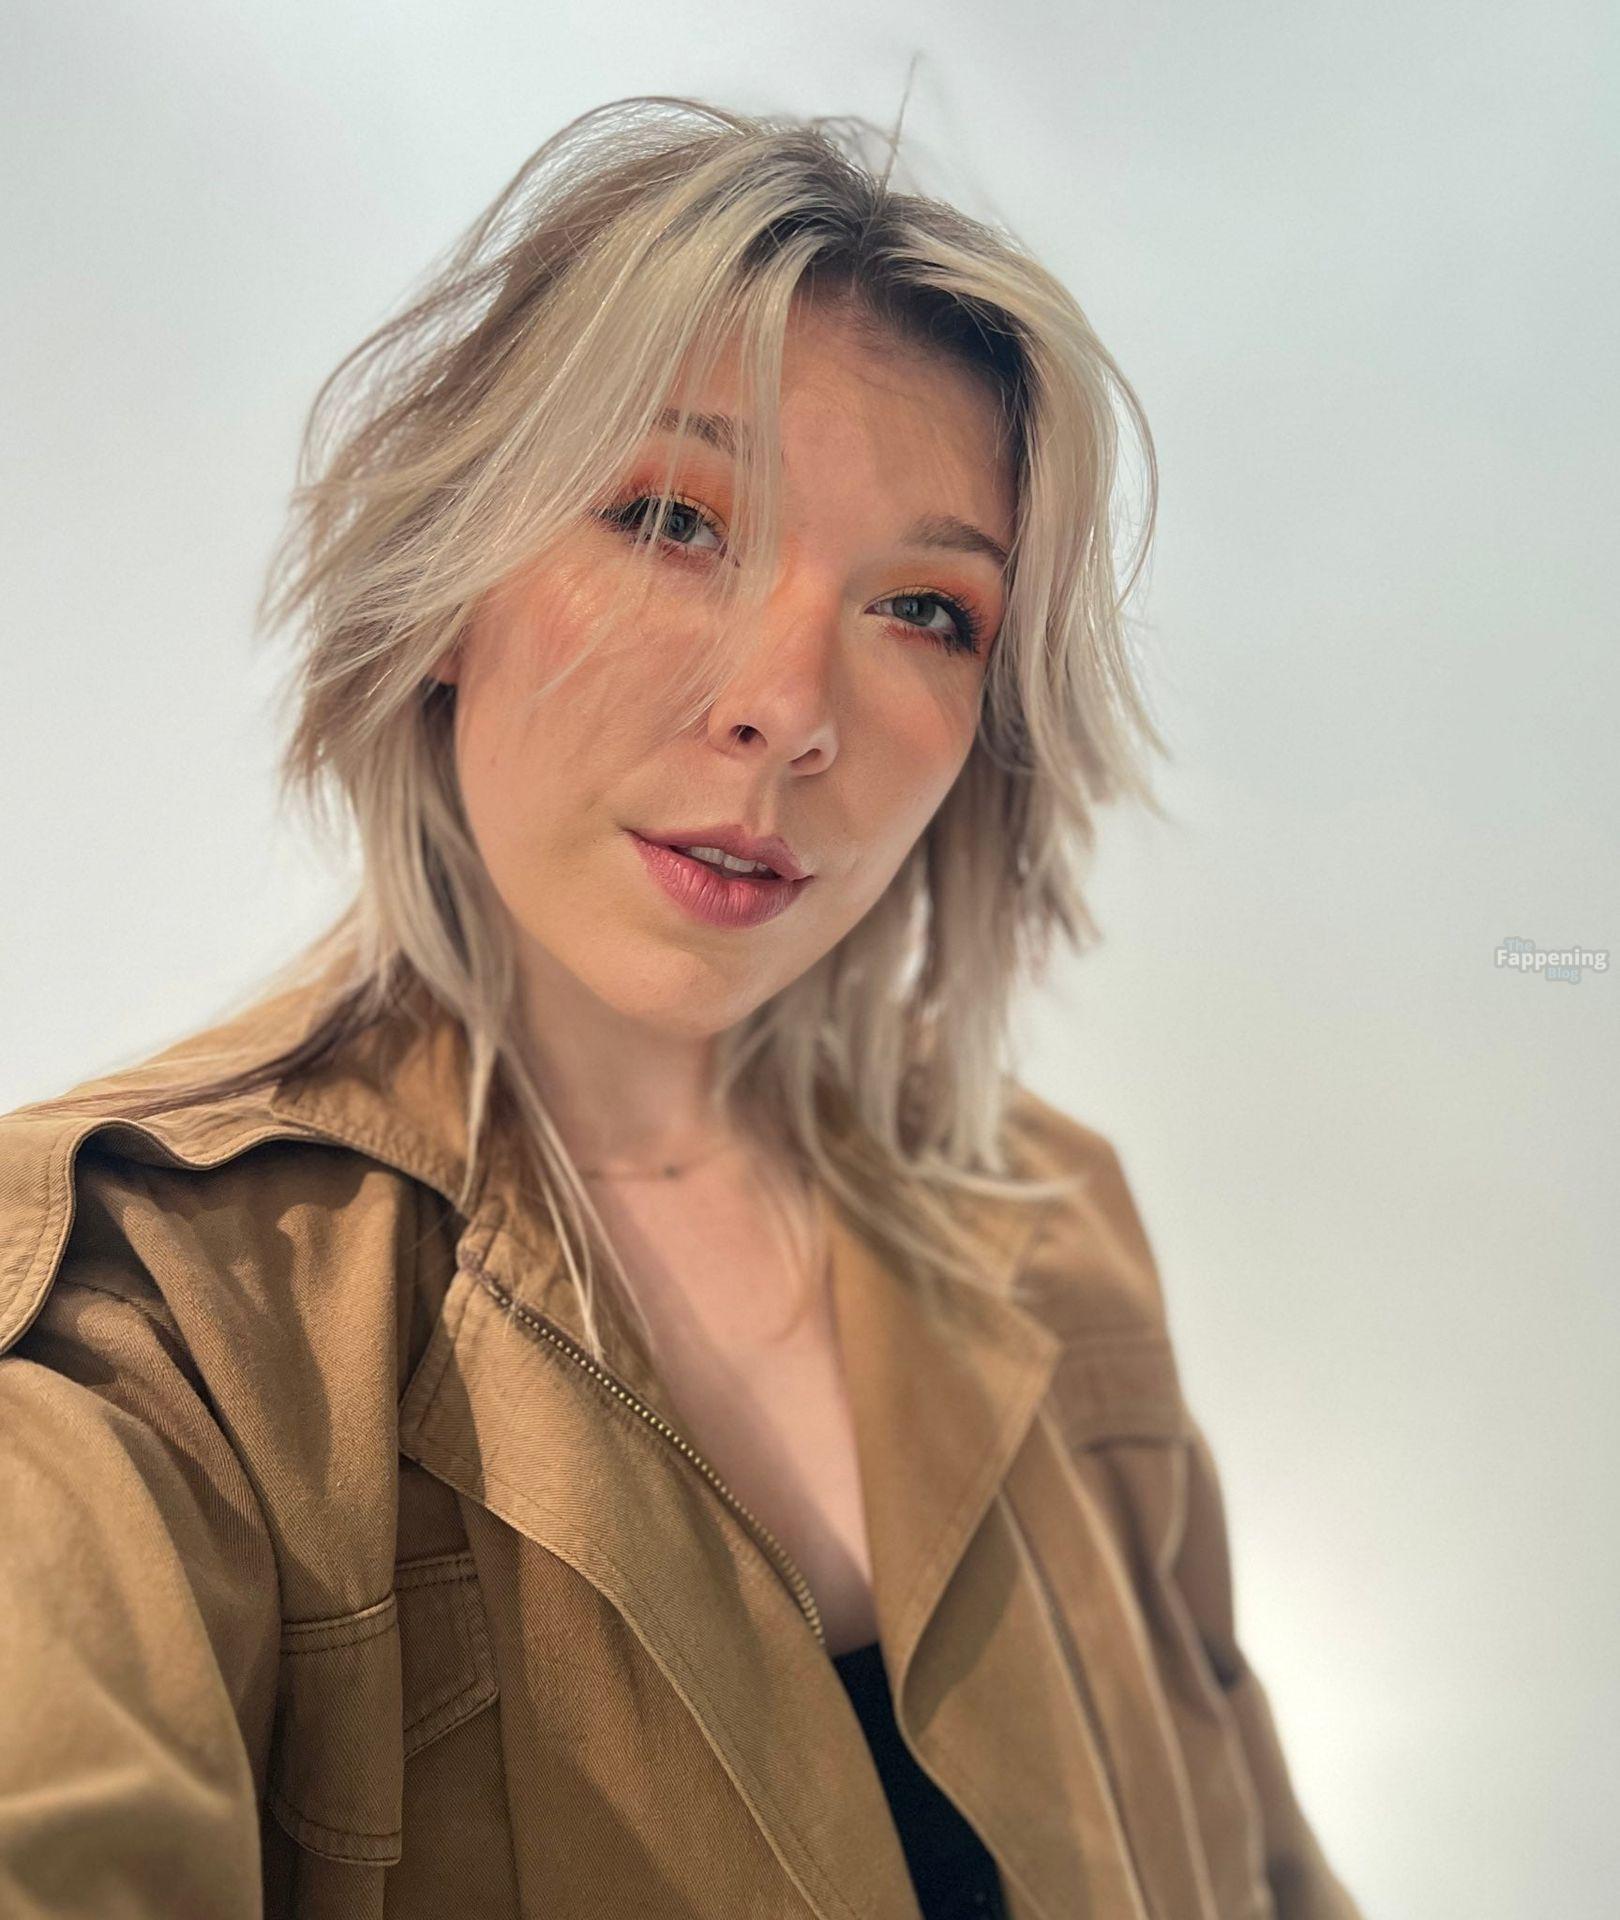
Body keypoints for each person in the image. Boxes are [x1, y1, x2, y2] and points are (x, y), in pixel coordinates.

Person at [0, 93, 1363, 1920]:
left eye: (926, 611)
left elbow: (1264, 1870)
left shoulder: (1054, 1226)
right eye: (671, 517)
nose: (786, 707)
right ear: (453, 578)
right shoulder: (147, 1307)